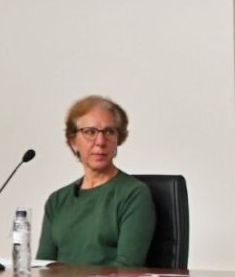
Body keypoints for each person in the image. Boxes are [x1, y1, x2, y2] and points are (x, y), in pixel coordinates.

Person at [37, 95, 156, 266]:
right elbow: (43, 266)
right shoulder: (57, 200)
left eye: (109, 132)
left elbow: (127, 268)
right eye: (90, 132)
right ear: (73, 141)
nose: (100, 142)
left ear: (118, 138)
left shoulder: (133, 194)